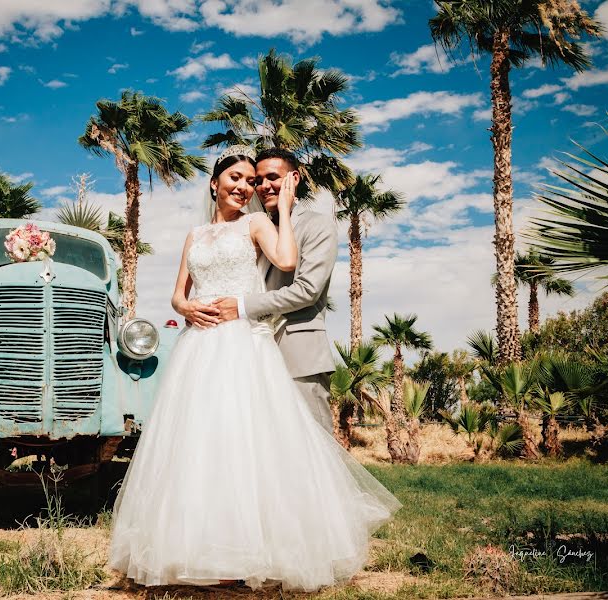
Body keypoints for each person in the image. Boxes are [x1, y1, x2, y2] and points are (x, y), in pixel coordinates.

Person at [108, 147, 401, 592]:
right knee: (205, 445)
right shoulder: (196, 233)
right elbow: (178, 294)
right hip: (201, 347)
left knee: (269, 446)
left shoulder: (262, 222)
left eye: (256, 180)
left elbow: (289, 268)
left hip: (248, 342)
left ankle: (299, 546)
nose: (248, 186)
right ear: (214, 184)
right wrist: (185, 307)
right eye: (239, 179)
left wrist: (282, 210)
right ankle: (205, 547)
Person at [211, 148, 337, 433]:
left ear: (294, 178)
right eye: (259, 180)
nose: (264, 186)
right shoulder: (259, 228)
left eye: (273, 178)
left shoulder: (317, 225)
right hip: (255, 356)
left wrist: (241, 306)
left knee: (316, 449)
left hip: (299, 357)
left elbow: (307, 290)